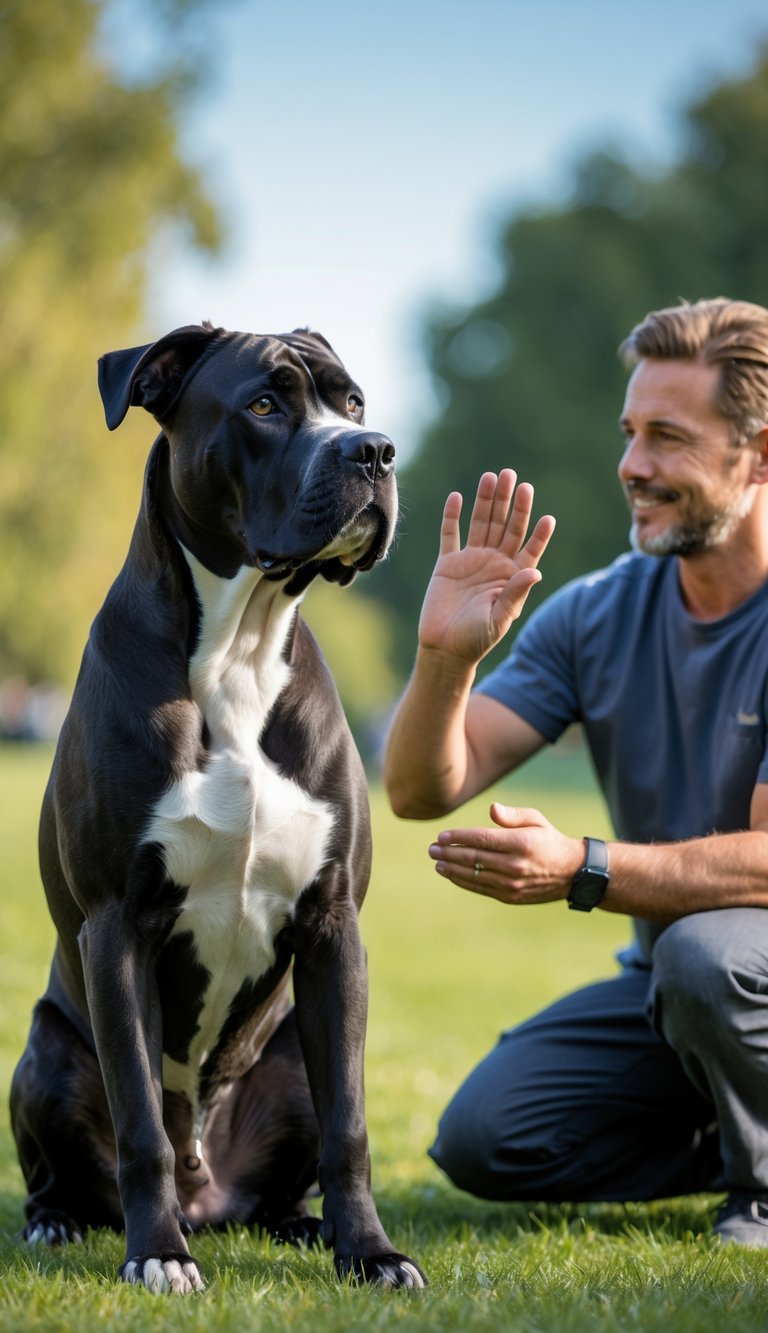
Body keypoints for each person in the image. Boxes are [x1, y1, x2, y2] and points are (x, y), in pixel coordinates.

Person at [383, 297, 768, 1246]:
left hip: (722, 974)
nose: (634, 465)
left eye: (668, 438)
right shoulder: (596, 612)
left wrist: (585, 867)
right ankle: (740, 1126)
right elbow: (421, 787)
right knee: (489, 1136)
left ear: (758, 454)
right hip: (687, 998)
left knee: (704, 953)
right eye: (631, 433)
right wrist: (445, 660)